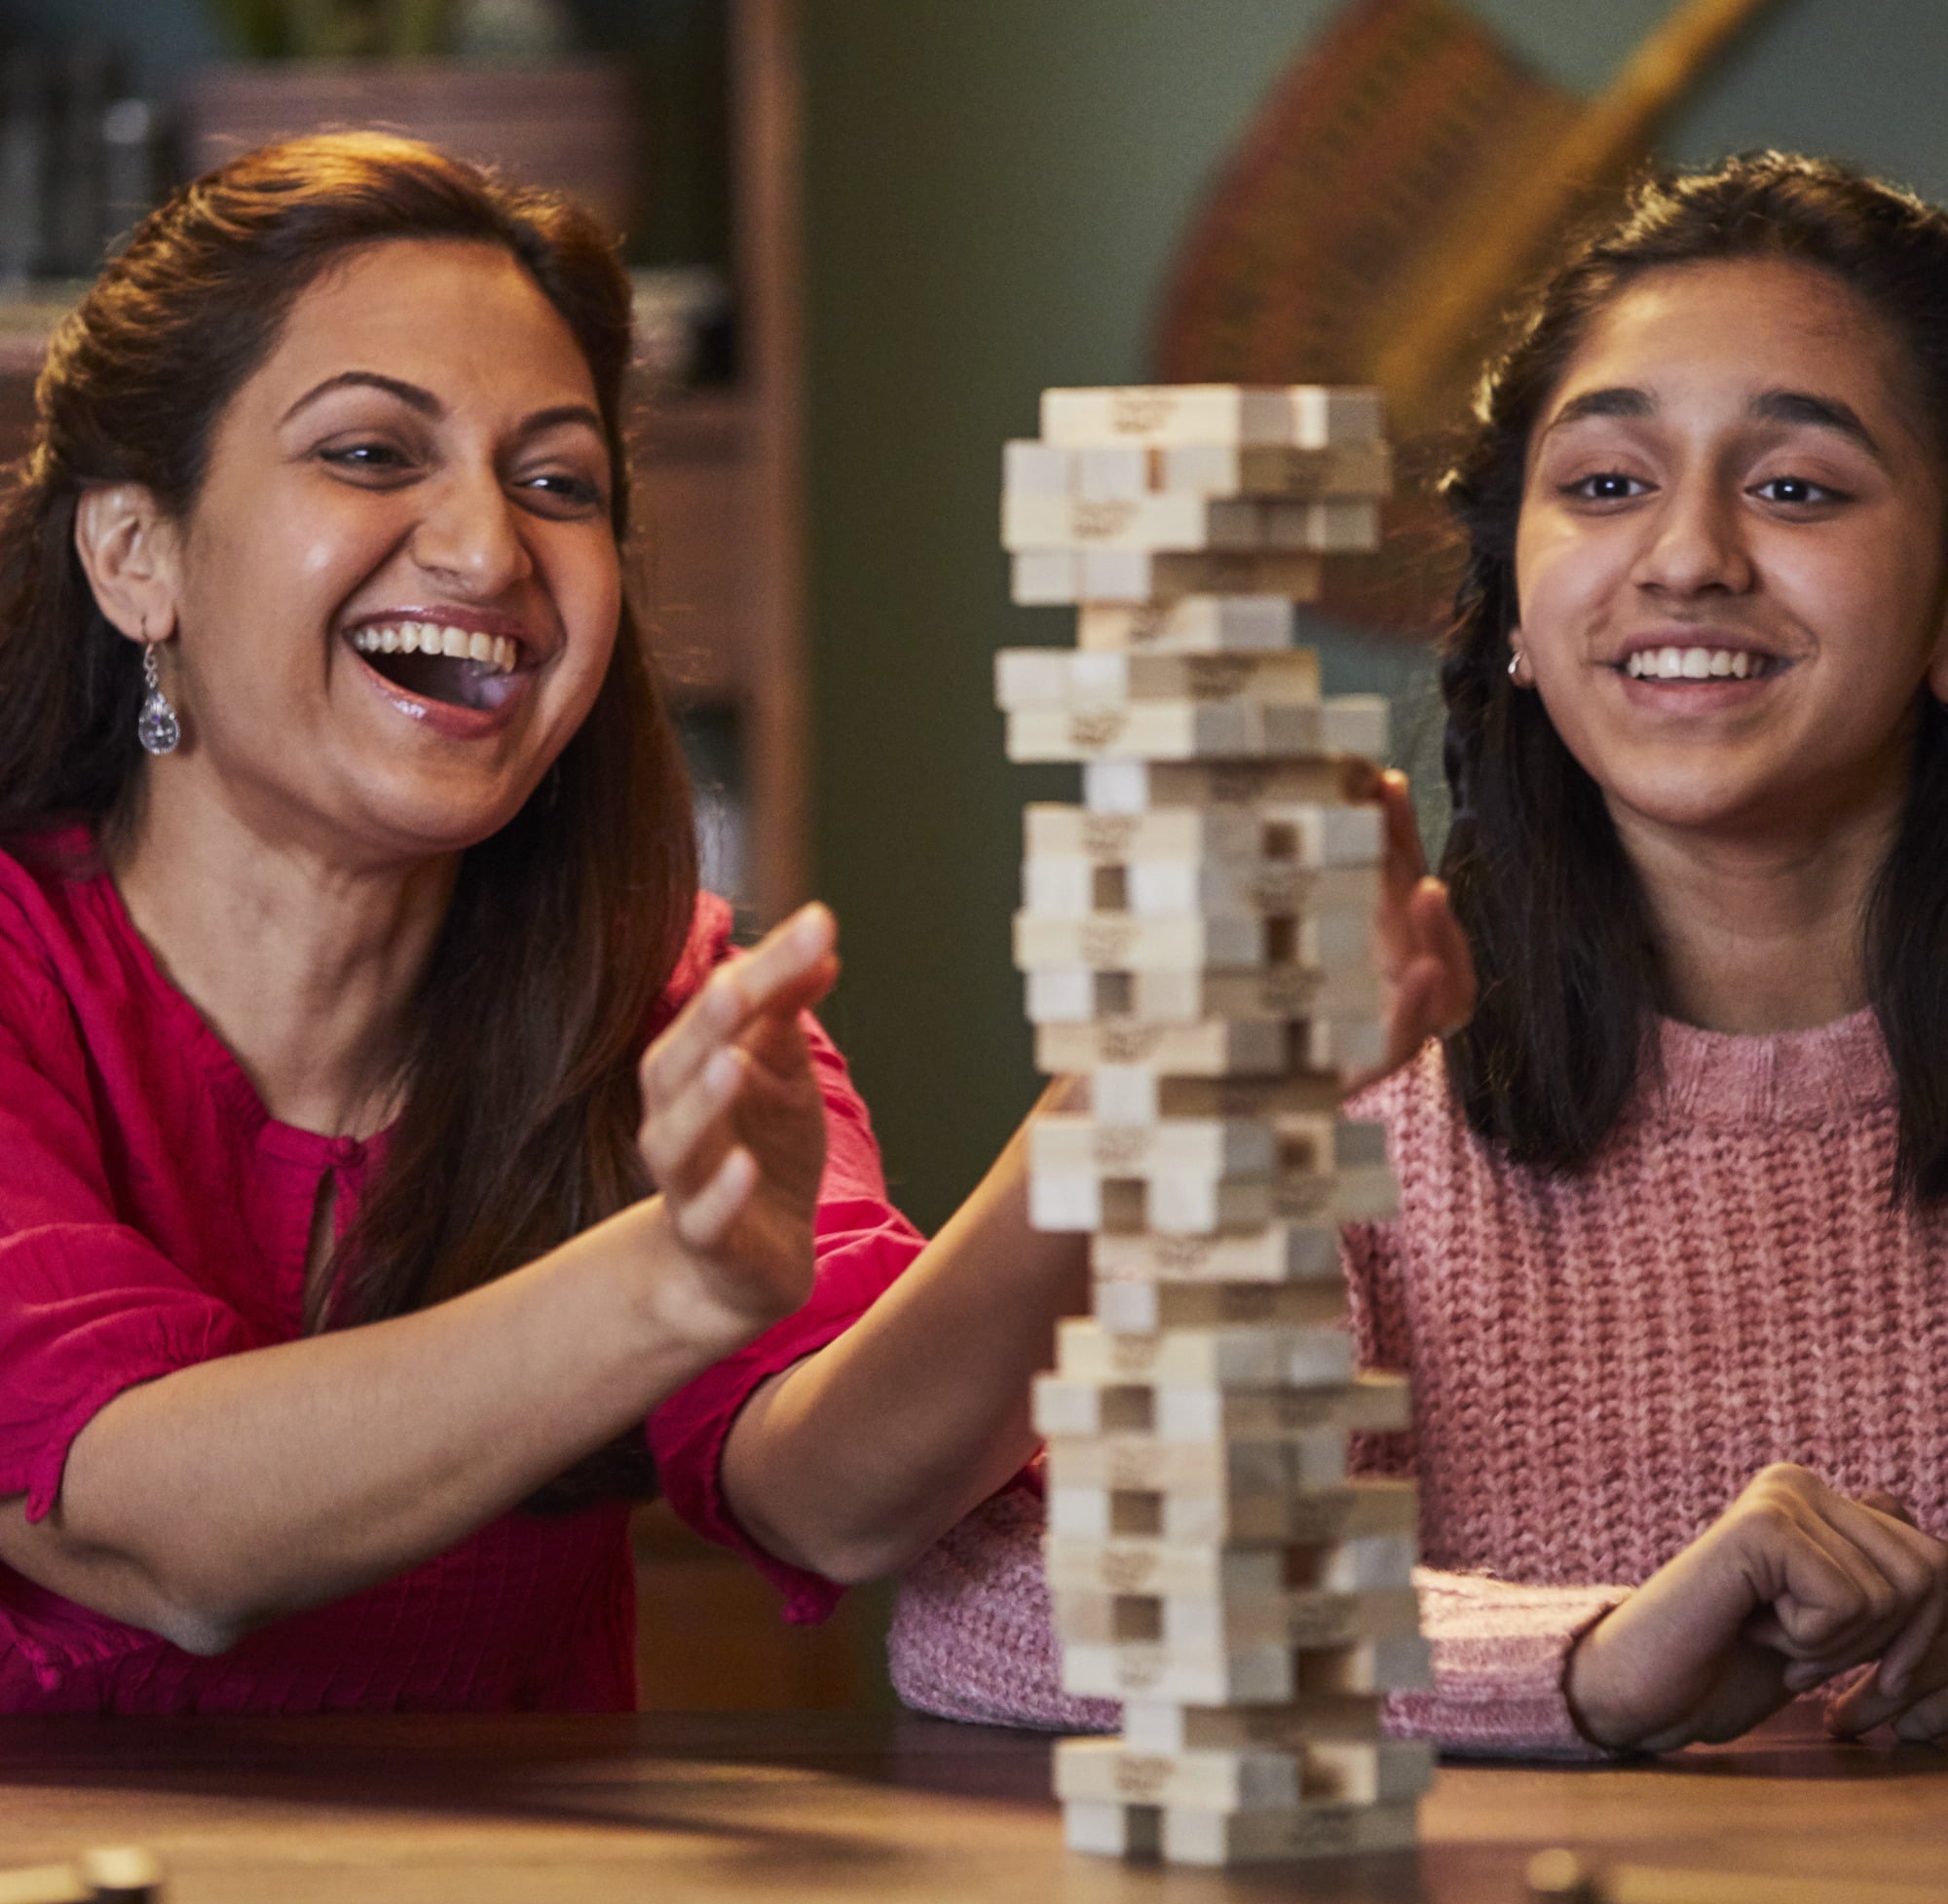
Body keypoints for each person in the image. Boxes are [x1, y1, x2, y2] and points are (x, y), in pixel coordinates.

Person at [0, 129, 1470, 1713]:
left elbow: (831, 1490)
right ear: (132, 551)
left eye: (556, 481)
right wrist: (668, 1285)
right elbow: (156, 1537)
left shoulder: (654, 987)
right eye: (370, 454)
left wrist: (1128, 1114)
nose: (490, 548)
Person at [887, 151, 1948, 1757]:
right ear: (1517, 609)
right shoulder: (1360, 1105)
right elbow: (1011, 1597)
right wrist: (1590, 1660)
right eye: (1604, 485)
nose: (1687, 556)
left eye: (1796, 487)